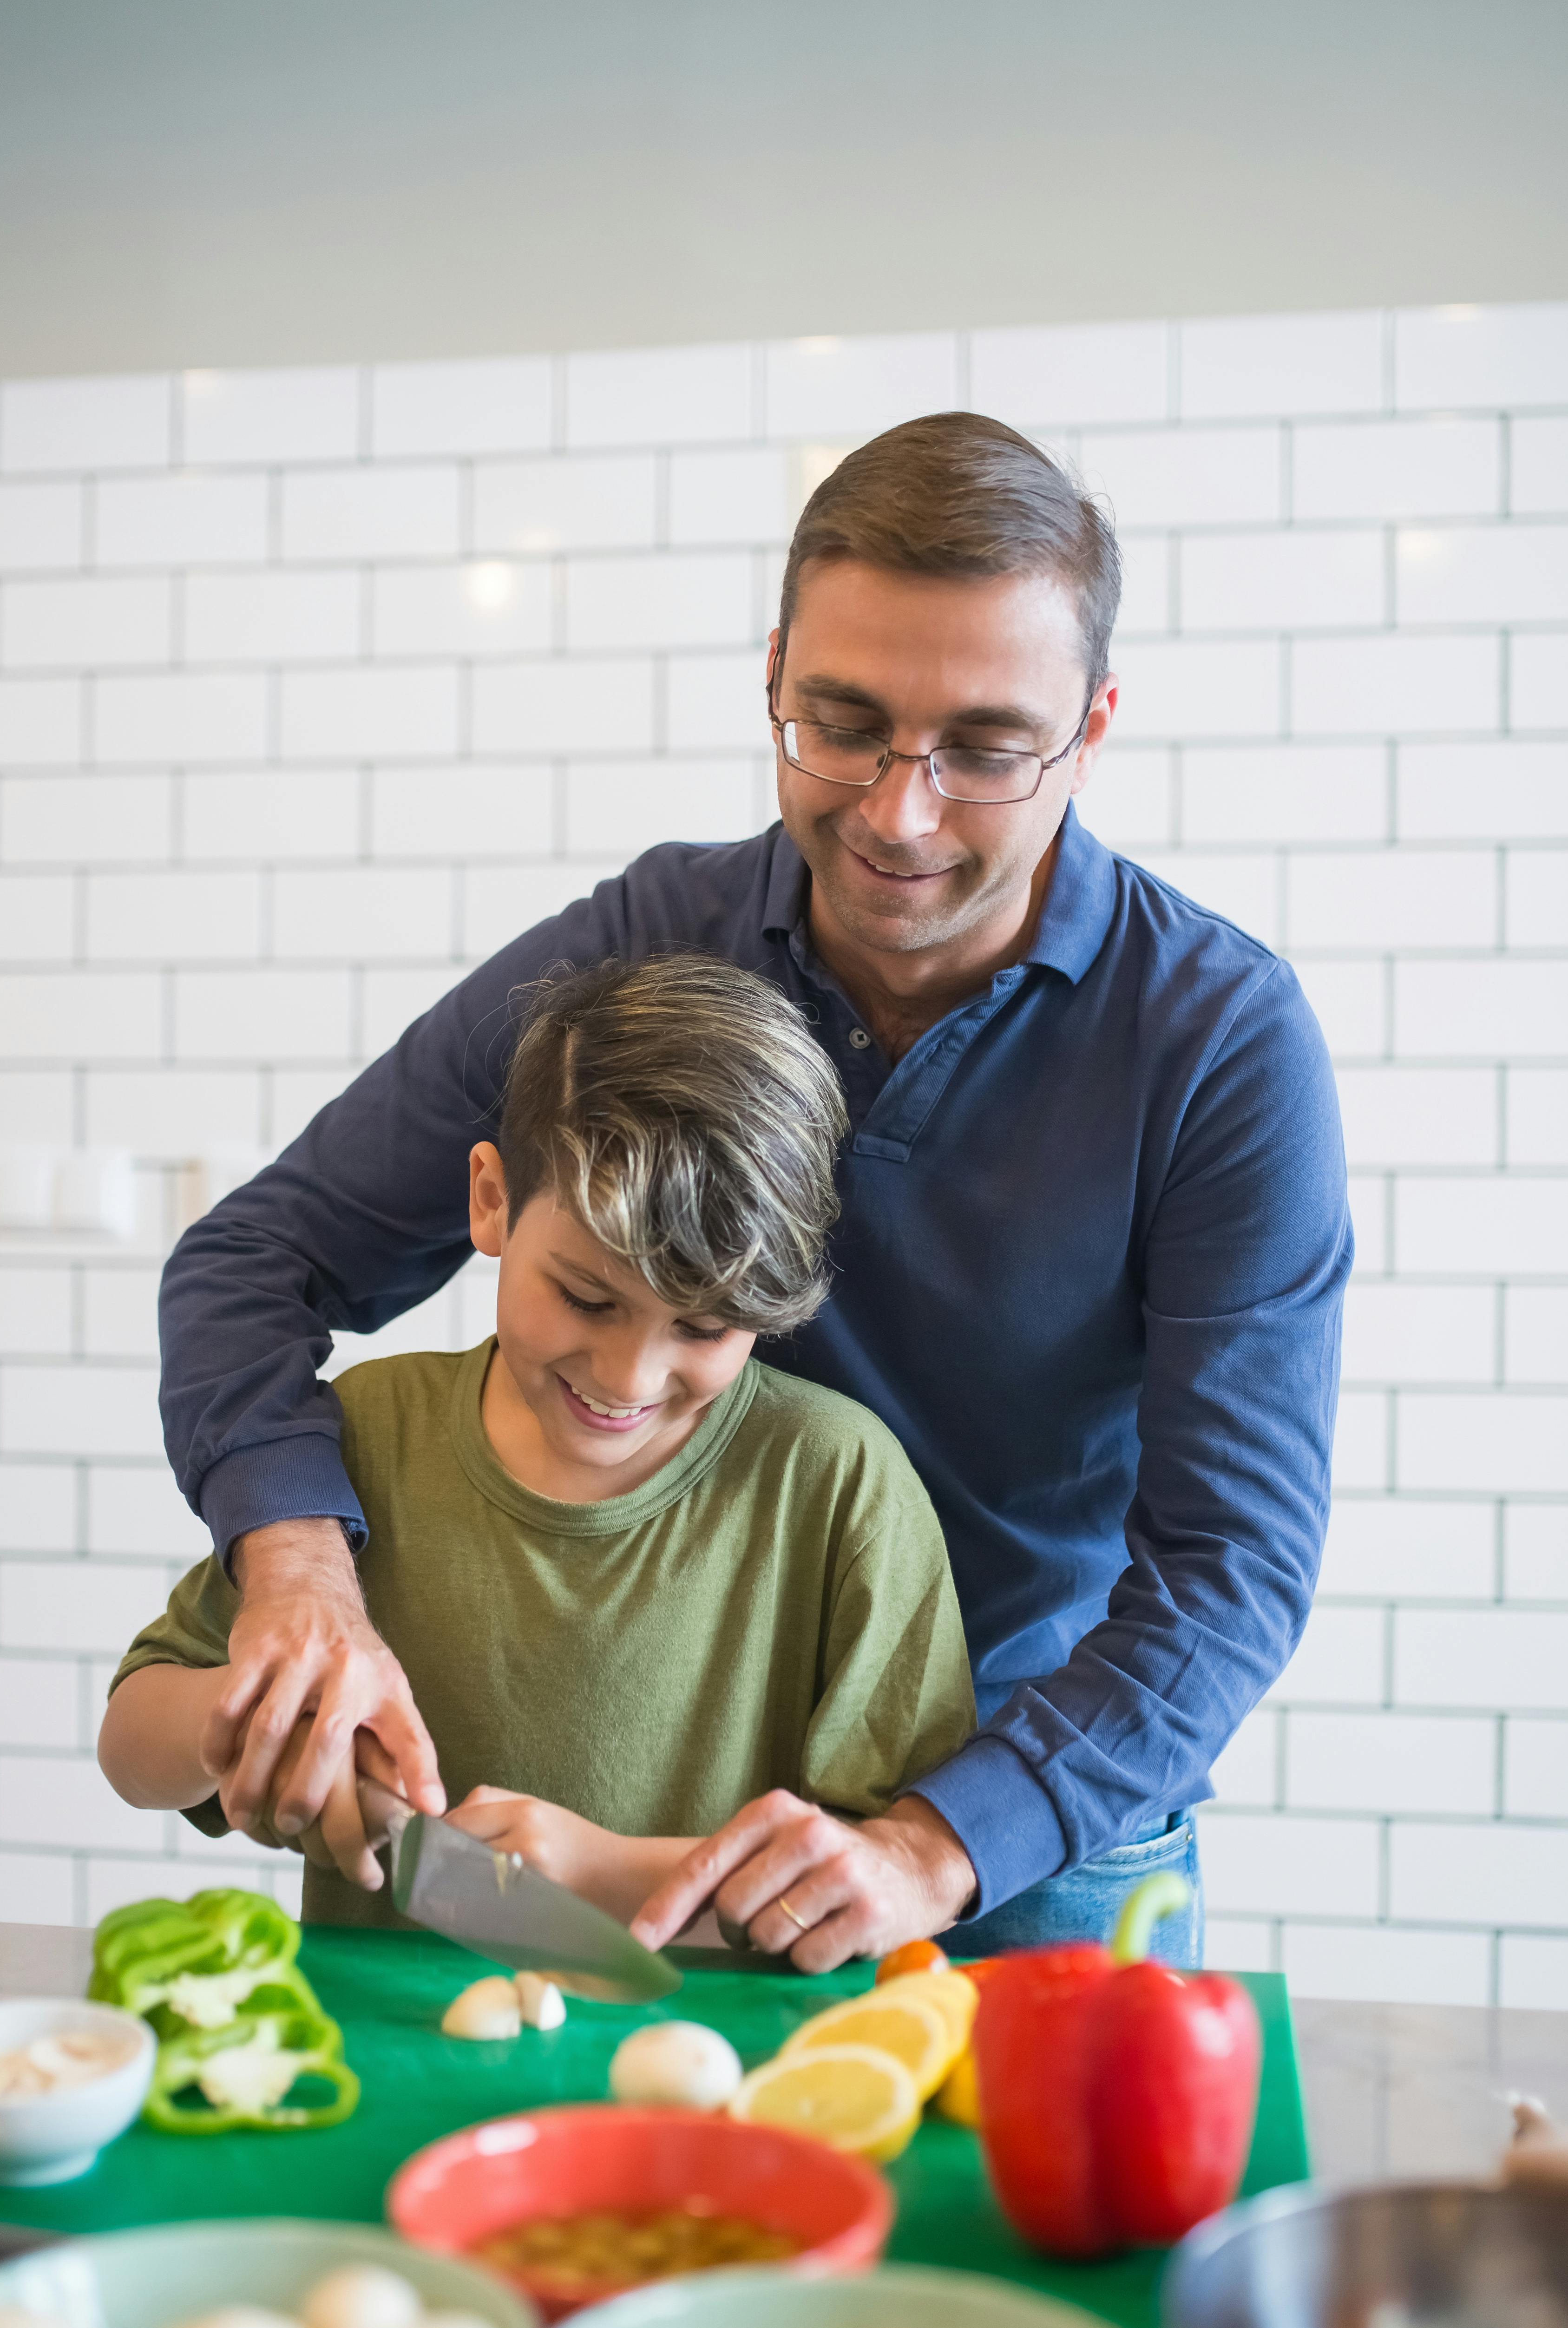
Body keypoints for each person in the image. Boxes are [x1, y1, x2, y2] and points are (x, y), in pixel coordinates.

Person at [156, 411, 1351, 1972]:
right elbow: (254, 1261)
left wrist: (938, 1844)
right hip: (686, 1814)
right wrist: (302, 1577)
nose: (897, 814)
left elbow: (1231, 1565)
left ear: (1094, 725)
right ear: (773, 671)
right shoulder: (650, 941)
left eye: (984, 749)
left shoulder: (1217, 1042)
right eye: (839, 723)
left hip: (1041, 1822)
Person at [101, 955, 976, 1921]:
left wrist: (613, 1873)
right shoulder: (365, 1436)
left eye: (704, 1325)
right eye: (587, 1296)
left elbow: (891, 1883)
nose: (628, 1378)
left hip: (720, 2064)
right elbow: (131, 1746)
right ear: (490, 1198)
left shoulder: (838, 1485)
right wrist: (254, 1722)